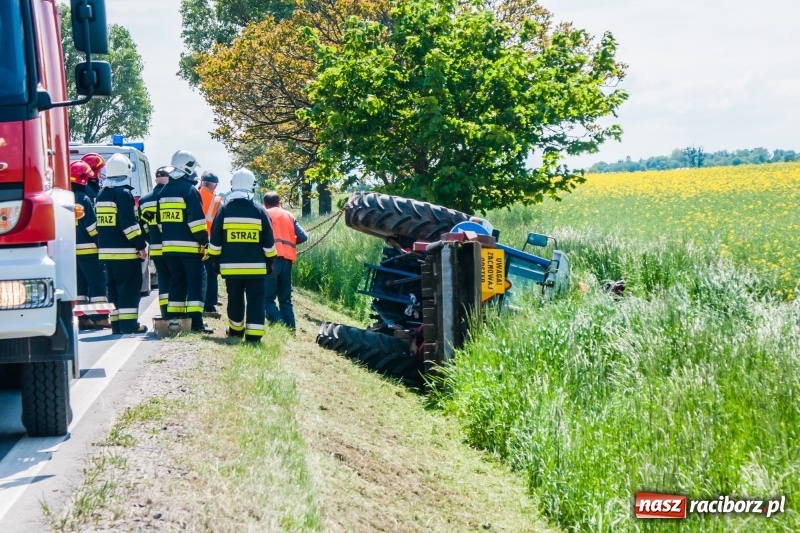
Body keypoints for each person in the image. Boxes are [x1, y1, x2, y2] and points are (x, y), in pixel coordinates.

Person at [208, 168, 276, 343]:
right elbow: (269, 242)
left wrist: (214, 261)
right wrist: (270, 262)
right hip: (256, 268)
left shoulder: (224, 210)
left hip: (231, 268)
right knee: (256, 301)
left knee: (235, 299)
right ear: (252, 186)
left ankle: (236, 331)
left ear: (232, 186)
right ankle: (253, 337)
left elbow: (215, 240)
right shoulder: (260, 211)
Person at [158, 150, 212, 333]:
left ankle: (174, 321)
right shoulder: (189, 190)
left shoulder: (164, 191)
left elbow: (160, 222)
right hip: (189, 249)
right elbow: (196, 221)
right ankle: (196, 323)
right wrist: (204, 241)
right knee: (195, 284)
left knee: (177, 283)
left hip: (169, 249)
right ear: (187, 168)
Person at [95, 154, 148, 334]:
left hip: (107, 254)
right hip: (125, 253)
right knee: (129, 289)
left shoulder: (101, 194)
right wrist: (141, 245)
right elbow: (128, 224)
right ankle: (129, 326)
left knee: (114, 290)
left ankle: (116, 325)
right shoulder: (124, 193)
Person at [70, 160, 110, 330]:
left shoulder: (64, 198)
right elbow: (92, 227)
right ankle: (100, 318)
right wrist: (101, 243)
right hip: (90, 250)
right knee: (98, 284)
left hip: (71, 251)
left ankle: (83, 319)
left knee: (80, 286)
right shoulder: (84, 199)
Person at [263, 191, 307, 332]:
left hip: (270, 259)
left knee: (267, 299)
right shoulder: (289, 215)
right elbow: (303, 236)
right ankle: (291, 330)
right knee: (285, 300)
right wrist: (291, 241)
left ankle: (281, 326)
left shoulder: (263, 213)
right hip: (287, 260)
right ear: (279, 203)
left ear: (265, 203)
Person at [139, 166, 172, 317]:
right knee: (178, 280)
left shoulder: (144, 200)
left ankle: (165, 312)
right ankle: (176, 314)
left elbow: (142, 226)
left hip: (156, 247)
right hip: (174, 247)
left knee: (164, 281)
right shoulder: (173, 196)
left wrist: (151, 238)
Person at [198, 171, 224, 316]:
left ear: (201, 182)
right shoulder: (218, 201)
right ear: (214, 185)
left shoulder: (192, 195)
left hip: (193, 240)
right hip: (210, 242)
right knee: (211, 274)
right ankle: (209, 305)